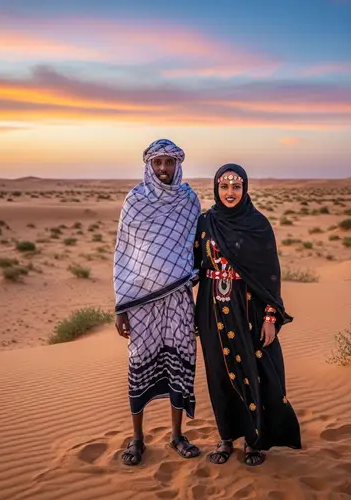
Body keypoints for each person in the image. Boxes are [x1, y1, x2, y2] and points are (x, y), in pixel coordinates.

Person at [193, 163, 302, 466]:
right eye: (224, 186)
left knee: (253, 372)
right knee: (218, 374)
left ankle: (254, 441)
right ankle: (226, 438)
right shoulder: (205, 222)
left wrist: (270, 318)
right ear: (216, 188)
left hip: (249, 310)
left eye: (236, 186)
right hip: (211, 309)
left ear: (245, 189)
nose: (230, 192)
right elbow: (192, 267)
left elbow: (270, 277)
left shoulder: (258, 225)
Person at [113, 139, 201, 466]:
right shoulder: (134, 201)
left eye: (169, 162)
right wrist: (121, 306)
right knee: (139, 364)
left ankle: (177, 435)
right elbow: (123, 255)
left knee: (179, 362)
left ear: (178, 164)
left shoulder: (189, 200)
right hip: (141, 301)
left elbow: (196, 249)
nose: (163, 169)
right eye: (157, 163)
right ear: (148, 165)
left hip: (179, 298)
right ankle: (137, 439)